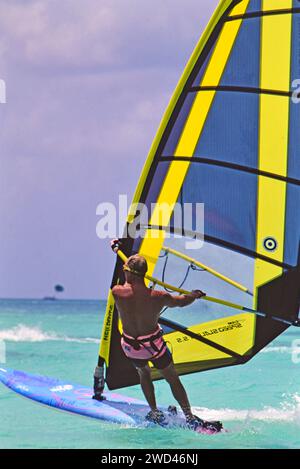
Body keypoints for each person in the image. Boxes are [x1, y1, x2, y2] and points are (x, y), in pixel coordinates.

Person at [110, 239, 222, 432]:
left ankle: (154, 411)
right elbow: (181, 301)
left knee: (143, 373)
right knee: (172, 377)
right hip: (153, 345)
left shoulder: (117, 292)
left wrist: (117, 250)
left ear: (127, 271)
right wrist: (193, 295)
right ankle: (189, 417)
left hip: (130, 346)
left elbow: (128, 273)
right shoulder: (158, 297)